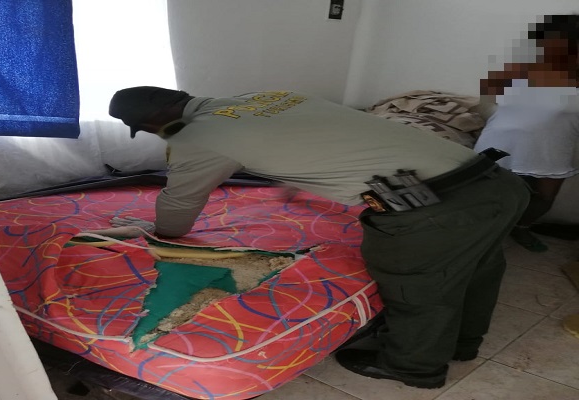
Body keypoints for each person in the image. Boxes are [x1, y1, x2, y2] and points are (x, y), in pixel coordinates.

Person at [108, 86, 529, 388]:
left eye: (146, 129)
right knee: (480, 267)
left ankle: (414, 367)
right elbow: (321, 140)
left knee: (417, 283)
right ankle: (464, 344)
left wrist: (161, 234)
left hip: (435, 207)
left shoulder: (195, 135)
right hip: (498, 184)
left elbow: (180, 204)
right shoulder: (269, 96)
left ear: (151, 122)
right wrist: (297, 181)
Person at [475, 14, 579, 252]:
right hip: (498, 144)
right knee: (487, 196)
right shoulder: (518, 70)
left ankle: (521, 227)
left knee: (543, 199)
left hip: (550, 151)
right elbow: (486, 101)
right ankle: (483, 235)